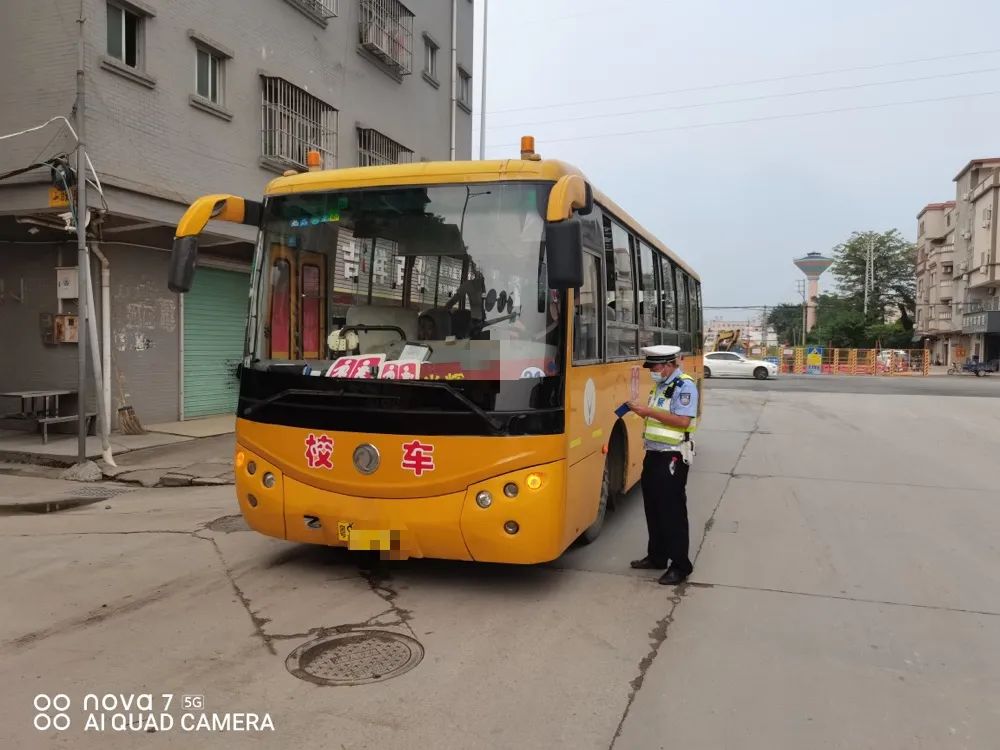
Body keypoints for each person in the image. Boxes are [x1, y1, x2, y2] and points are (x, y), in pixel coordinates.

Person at [627, 344, 699, 585]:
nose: (652, 371)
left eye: (655, 367)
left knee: (672, 512)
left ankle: (680, 565)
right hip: (654, 455)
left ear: (669, 364)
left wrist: (649, 411)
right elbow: (659, 417)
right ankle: (657, 556)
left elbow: (682, 420)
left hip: (672, 457)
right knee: (654, 509)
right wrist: (642, 412)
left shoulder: (684, 386)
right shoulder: (662, 385)